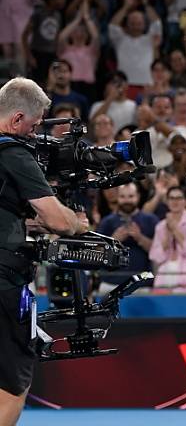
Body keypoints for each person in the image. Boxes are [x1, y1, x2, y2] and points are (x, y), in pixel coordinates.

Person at [0, 78, 90, 424]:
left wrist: (22, 223)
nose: (36, 134)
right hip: (4, 285)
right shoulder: (12, 150)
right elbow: (60, 221)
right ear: (17, 119)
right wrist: (78, 222)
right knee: (11, 389)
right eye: (34, 125)